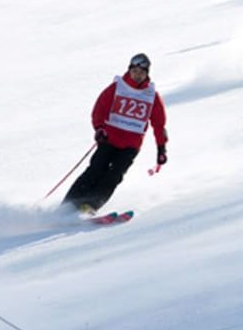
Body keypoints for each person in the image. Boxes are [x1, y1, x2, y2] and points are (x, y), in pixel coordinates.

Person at [62, 53, 168, 215]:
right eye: (134, 72)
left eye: (141, 73)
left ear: (147, 74)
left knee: (114, 175)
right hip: (109, 139)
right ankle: (69, 204)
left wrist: (161, 149)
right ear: (129, 70)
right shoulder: (118, 87)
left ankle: (90, 206)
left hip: (131, 145)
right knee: (95, 170)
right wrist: (99, 129)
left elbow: (159, 125)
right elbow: (99, 109)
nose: (137, 76)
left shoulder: (151, 96)